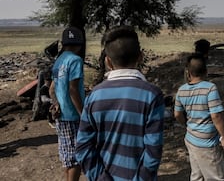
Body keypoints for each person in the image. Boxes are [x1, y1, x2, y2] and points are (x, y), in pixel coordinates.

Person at [76, 26, 165, 180]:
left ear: (108, 61)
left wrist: (100, 177)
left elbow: (83, 146)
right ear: (141, 57)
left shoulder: (94, 96)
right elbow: (153, 149)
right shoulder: (152, 95)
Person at [175, 53, 224, 181]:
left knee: (197, 175)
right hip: (207, 143)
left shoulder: (181, 90)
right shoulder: (210, 88)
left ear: (188, 72)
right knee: (216, 177)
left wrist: (186, 125)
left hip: (190, 138)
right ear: (206, 71)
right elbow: (216, 116)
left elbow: (177, 114)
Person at [50, 27, 85, 181]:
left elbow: (52, 89)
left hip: (62, 116)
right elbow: (73, 90)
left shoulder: (59, 60)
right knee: (77, 160)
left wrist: (56, 104)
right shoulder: (76, 60)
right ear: (79, 44)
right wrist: (83, 114)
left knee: (68, 158)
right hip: (73, 116)